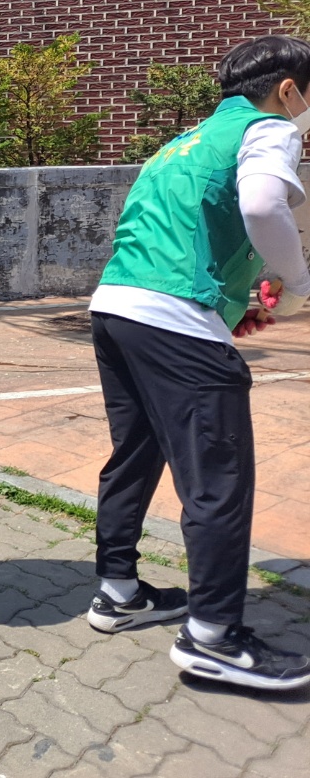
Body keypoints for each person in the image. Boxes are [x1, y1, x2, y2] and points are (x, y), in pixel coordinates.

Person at [85, 36, 310, 692]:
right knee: (219, 480)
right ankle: (213, 637)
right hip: (174, 316)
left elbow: (192, 229)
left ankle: (118, 589)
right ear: (288, 89)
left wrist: (237, 304)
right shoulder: (268, 127)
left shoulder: (183, 142)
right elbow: (265, 206)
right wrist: (297, 281)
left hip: (117, 305)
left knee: (136, 453)